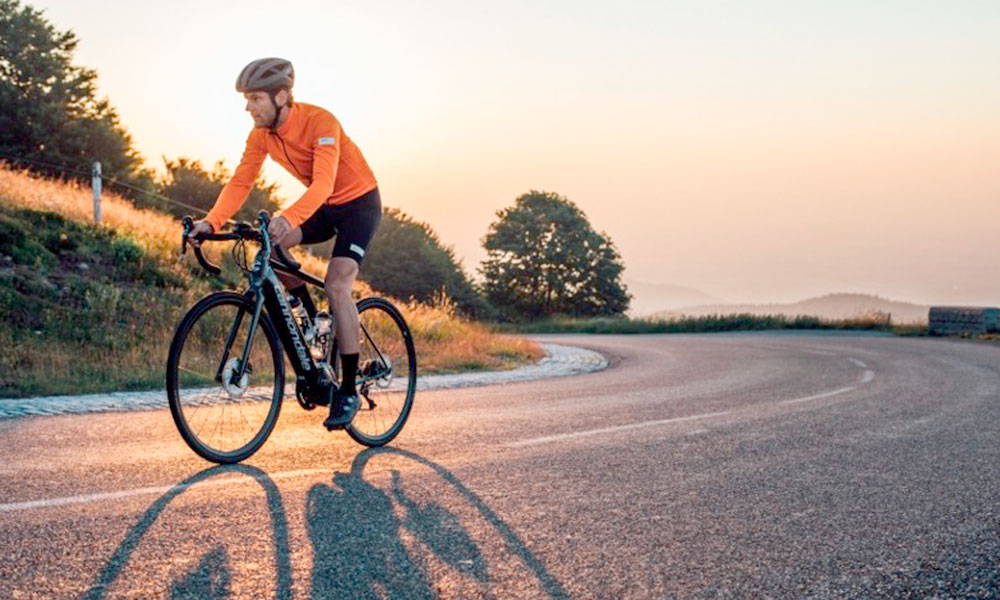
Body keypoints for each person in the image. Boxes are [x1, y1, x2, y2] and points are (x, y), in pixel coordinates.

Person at [187, 57, 381, 430]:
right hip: (324, 207)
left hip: (359, 204)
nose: (248, 107)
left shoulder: (321, 122)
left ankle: (349, 390)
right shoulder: (261, 135)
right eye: (246, 99)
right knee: (271, 247)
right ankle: (310, 323)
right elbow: (240, 182)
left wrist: (288, 217)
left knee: (337, 282)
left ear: (282, 96)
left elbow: (324, 183)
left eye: (256, 98)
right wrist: (210, 222)